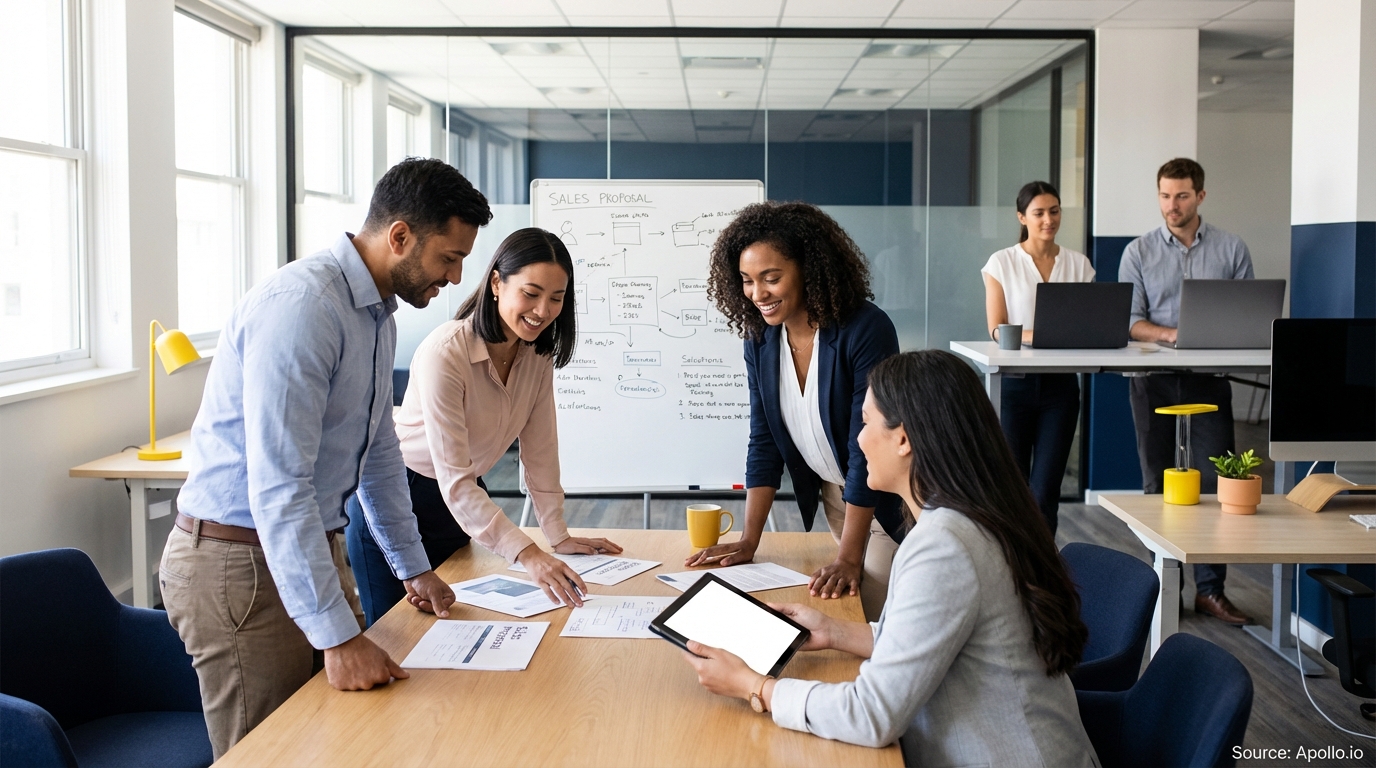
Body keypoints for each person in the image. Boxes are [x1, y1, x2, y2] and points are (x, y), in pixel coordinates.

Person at [160, 158, 484, 759]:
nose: (456, 275)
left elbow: (380, 454)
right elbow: (279, 487)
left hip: (304, 549)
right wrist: (338, 636)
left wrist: (412, 567)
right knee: (271, 753)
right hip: (239, 562)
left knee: (339, 738)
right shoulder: (303, 307)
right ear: (400, 236)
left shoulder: (377, 313)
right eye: (448, 257)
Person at [680, 350, 1098, 767]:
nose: (858, 441)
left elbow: (872, 715)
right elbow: (933, 636)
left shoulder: (945, 546)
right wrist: (835, 633)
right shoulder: (977, 514)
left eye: (865, 422)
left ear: (903, 439)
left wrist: (755, 687)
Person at [349, 228, 622, 626]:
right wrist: (528, 553)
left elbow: (541, 451)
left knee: (454, 629)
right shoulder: (447, 352)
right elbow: (455, 480)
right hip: (397, 498)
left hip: (459, 502)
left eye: (557, 298)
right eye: (531, 293)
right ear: (497, 283)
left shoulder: (537, 355)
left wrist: (557, 534)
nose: (543, 310)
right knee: (396, 638)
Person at [693, 201, 904, 622]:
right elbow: (764, 439)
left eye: (772, 278)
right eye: (747, 281)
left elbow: (865, 447)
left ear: (809, 268)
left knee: (877, 619)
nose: (757, 295)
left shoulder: (864, 329)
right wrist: (749, 539)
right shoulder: (760, 339)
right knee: (844, 611)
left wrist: (848, 556)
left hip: (884, 499)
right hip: (835, 496)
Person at [1119, 157, 1254, 626]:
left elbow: (1247, 316)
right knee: (1157, 482)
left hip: (1210, 376)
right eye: (1163, 195)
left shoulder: (1231, 249)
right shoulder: (1137, 251)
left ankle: (1211, 591)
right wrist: (1173, 334)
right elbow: (1130, 322)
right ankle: (1161, 591)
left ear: (1200, 195)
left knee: (1217, 484)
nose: (1171, 205)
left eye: (1180, 196)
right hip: (1152, 377)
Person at [981, 180, 1095, 537]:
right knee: (1012, 489)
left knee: (1045, 491)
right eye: (1039, 213)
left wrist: (1038, 334)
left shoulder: (1079, 265)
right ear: (1022, 217)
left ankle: (1043, 575)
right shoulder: (1001, 263)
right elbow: (998, 328)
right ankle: (1011, 565)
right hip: (1013, 385)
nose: (1049, 219)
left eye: (1054, 211)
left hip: (1060, 388)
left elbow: (1089, 326)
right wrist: (1048, 335)